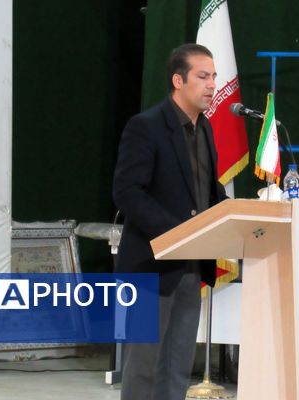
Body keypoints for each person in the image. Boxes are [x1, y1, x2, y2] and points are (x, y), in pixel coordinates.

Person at [112, 43, 228, 400]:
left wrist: (231, 211)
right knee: (143, 367)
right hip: (151, 266)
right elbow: (127, 192)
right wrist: (177, 232)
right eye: (203, 76)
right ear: (178, 80)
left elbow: (207, 190)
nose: (212, 85)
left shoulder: (205, 128)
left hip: (191, 266)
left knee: (178, 366)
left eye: (214, 77)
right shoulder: (146, 126)